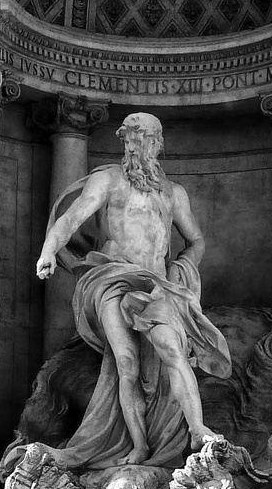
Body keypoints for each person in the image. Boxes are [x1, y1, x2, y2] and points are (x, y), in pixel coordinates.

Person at [32, 112, 231, 470]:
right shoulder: (109, 180)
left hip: (156, 284)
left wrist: (182, 266)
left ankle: (198, 428)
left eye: (149, 139)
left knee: (172, 349)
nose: (142, 146)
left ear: (159, 144)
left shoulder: (174, 193)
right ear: (125, 142)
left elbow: (196, 239)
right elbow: (72, 218)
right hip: (111, 278)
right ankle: (138, 446)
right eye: (135, 139)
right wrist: (49, 250)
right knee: (126, 362)